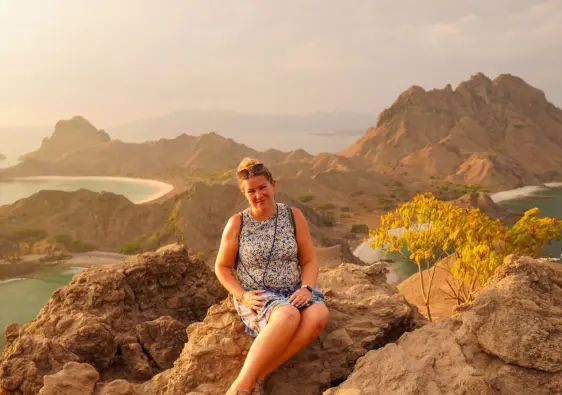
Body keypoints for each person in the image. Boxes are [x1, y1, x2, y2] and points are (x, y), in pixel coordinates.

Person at [215, 158, 329, 395]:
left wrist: (307, 288)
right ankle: (241, 385)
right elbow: (222, 268)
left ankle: (262, 375)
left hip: (294, 289)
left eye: (262, 187)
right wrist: (243, 295)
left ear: (273, 185)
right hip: (258, 294)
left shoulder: (293, 216)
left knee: (319, 314)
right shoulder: (237, 223)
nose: (258, 195)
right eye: (251, 191)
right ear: (244, 193)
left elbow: (309, 261)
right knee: (288, 315)